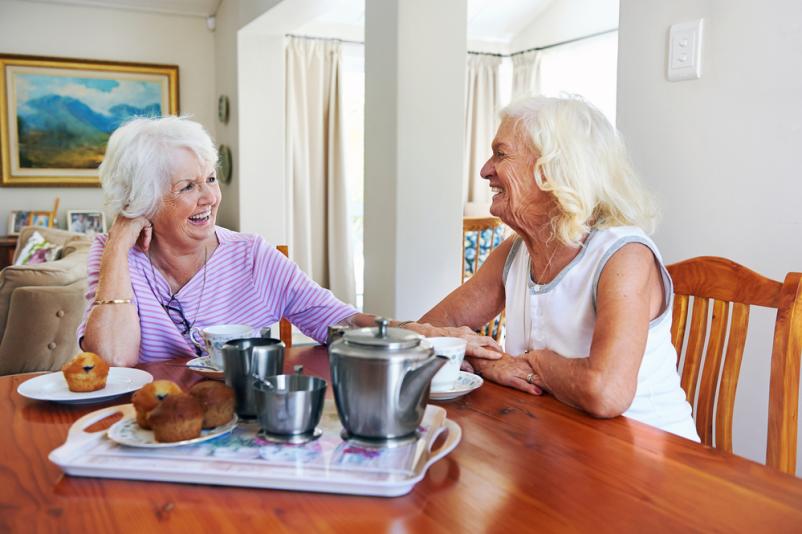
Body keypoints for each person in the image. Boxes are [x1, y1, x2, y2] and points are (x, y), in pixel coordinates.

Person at [79, 116, 497, 367]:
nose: (209, 196)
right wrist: (118, 240)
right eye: (188, 186)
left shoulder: (252, 257)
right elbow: (112, 362)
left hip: (242, 418)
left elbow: (341, 323)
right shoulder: (116, 259)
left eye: (210, 178)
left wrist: (419, 333)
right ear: (143, 203)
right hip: (153, 428)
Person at [419, 96, 699, 441]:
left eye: (501, 154)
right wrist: (492, 362)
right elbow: (424, 333)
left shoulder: (624, 255)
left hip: (648, 457)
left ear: (553, 170)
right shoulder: (516, 251)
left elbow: (606, 392)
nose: (485, 170)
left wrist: (533, 362)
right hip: (560, 441)